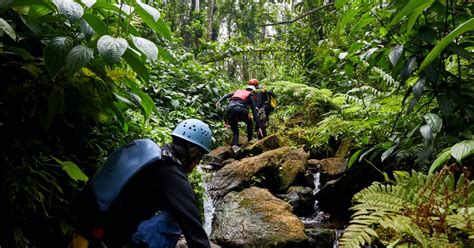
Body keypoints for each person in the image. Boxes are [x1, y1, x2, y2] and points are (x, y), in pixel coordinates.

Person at [69, 119, 213, 248]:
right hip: (106, 240)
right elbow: (195, 232)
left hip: (85, 231)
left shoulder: (149, 155)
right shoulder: (171, 173)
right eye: (199, 158)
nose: (197, 164)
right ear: (193, 152)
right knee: (173, 219)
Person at [215, 85, 261, 152]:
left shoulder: (237, 92)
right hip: (240, 109)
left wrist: (219, 101)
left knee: (235, 132)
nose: (254, 95)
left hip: (229, 110)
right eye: (254, 93)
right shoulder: (250, 96)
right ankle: (250, 141)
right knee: (250, 122)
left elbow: (226, 95)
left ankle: (235, 147)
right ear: (253, 92)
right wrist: (259, 127)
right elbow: (254, 113)